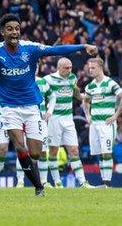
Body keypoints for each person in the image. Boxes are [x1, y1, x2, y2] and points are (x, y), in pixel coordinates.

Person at [0, 13, 98, 196]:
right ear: (2, 31)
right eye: (10, 29)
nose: (14, 32)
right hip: (9, 108)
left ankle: (34, 178)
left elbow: (57, 50)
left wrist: (83, 46)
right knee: (20, 146)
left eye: (17, 29)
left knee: (35, 153)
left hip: (31, 108)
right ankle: (39, 187)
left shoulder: (31, 48)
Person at [44, 58, 93, 188]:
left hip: (68, 119)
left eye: (70, 67)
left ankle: (82, 182)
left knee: (74, 150)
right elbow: (41, 97)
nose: (69, 70)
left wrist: (83, 97)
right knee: (54, 151)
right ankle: (57, 182)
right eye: (66, 68)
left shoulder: (72, 77)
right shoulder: (48, 80)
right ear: (58, 68)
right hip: (54, 119)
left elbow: (75, 91)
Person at [82, 57, 122, 188]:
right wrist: (87, 115)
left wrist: (115, 115)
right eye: (89, 68)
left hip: (106, 123)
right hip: (94, 124)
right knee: (99, 154)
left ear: (100, 68)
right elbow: (85, 101)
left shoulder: (110, 83)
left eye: (93, 68)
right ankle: (104, 183)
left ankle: (107, 183)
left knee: (106, 152)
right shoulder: (90, 86)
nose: (90, 70)